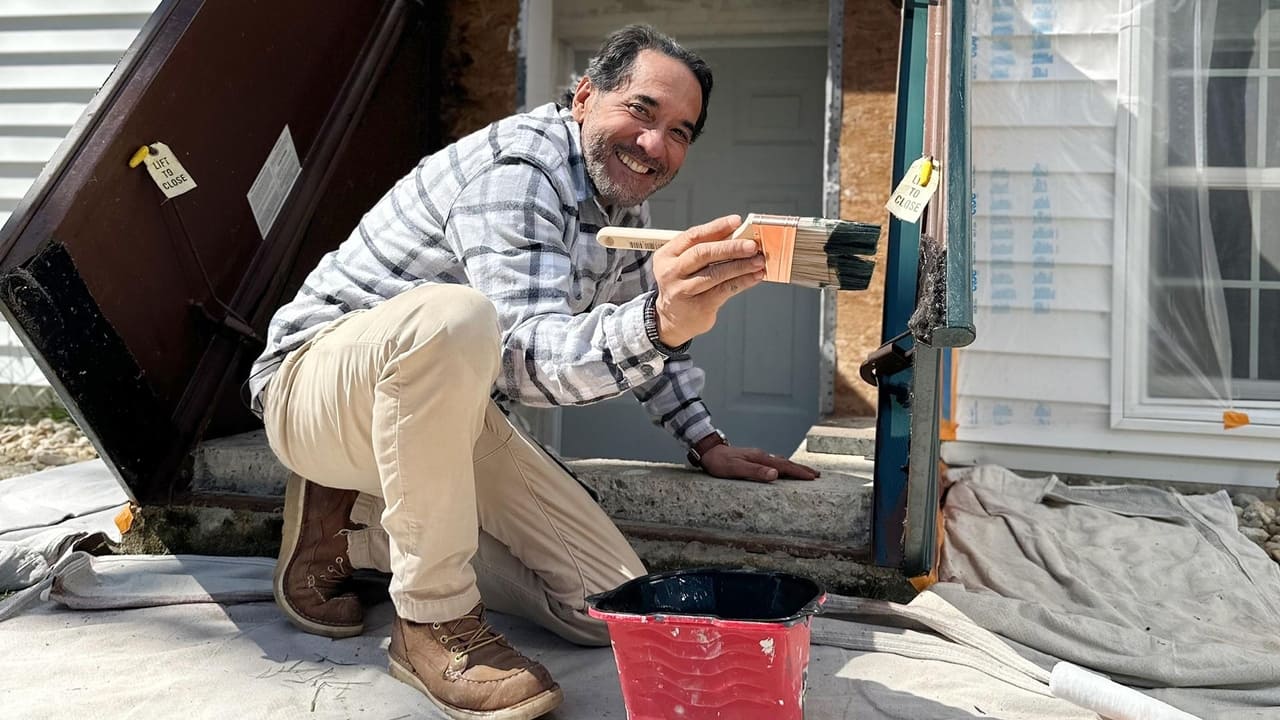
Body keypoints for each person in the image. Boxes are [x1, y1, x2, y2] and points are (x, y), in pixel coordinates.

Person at [248, 23, 819, 720]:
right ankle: (429, 621)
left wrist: (707, 441)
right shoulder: (520, 171)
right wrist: (658, 322)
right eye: (641, 111)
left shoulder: (622, 200)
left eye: (680, 131)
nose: (655, 145)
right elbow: (519, 358)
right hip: (316, 388)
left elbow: (644, 330)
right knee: (457, 318)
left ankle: (357, 525)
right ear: (583, 96)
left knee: (601, 605)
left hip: (440, 410)